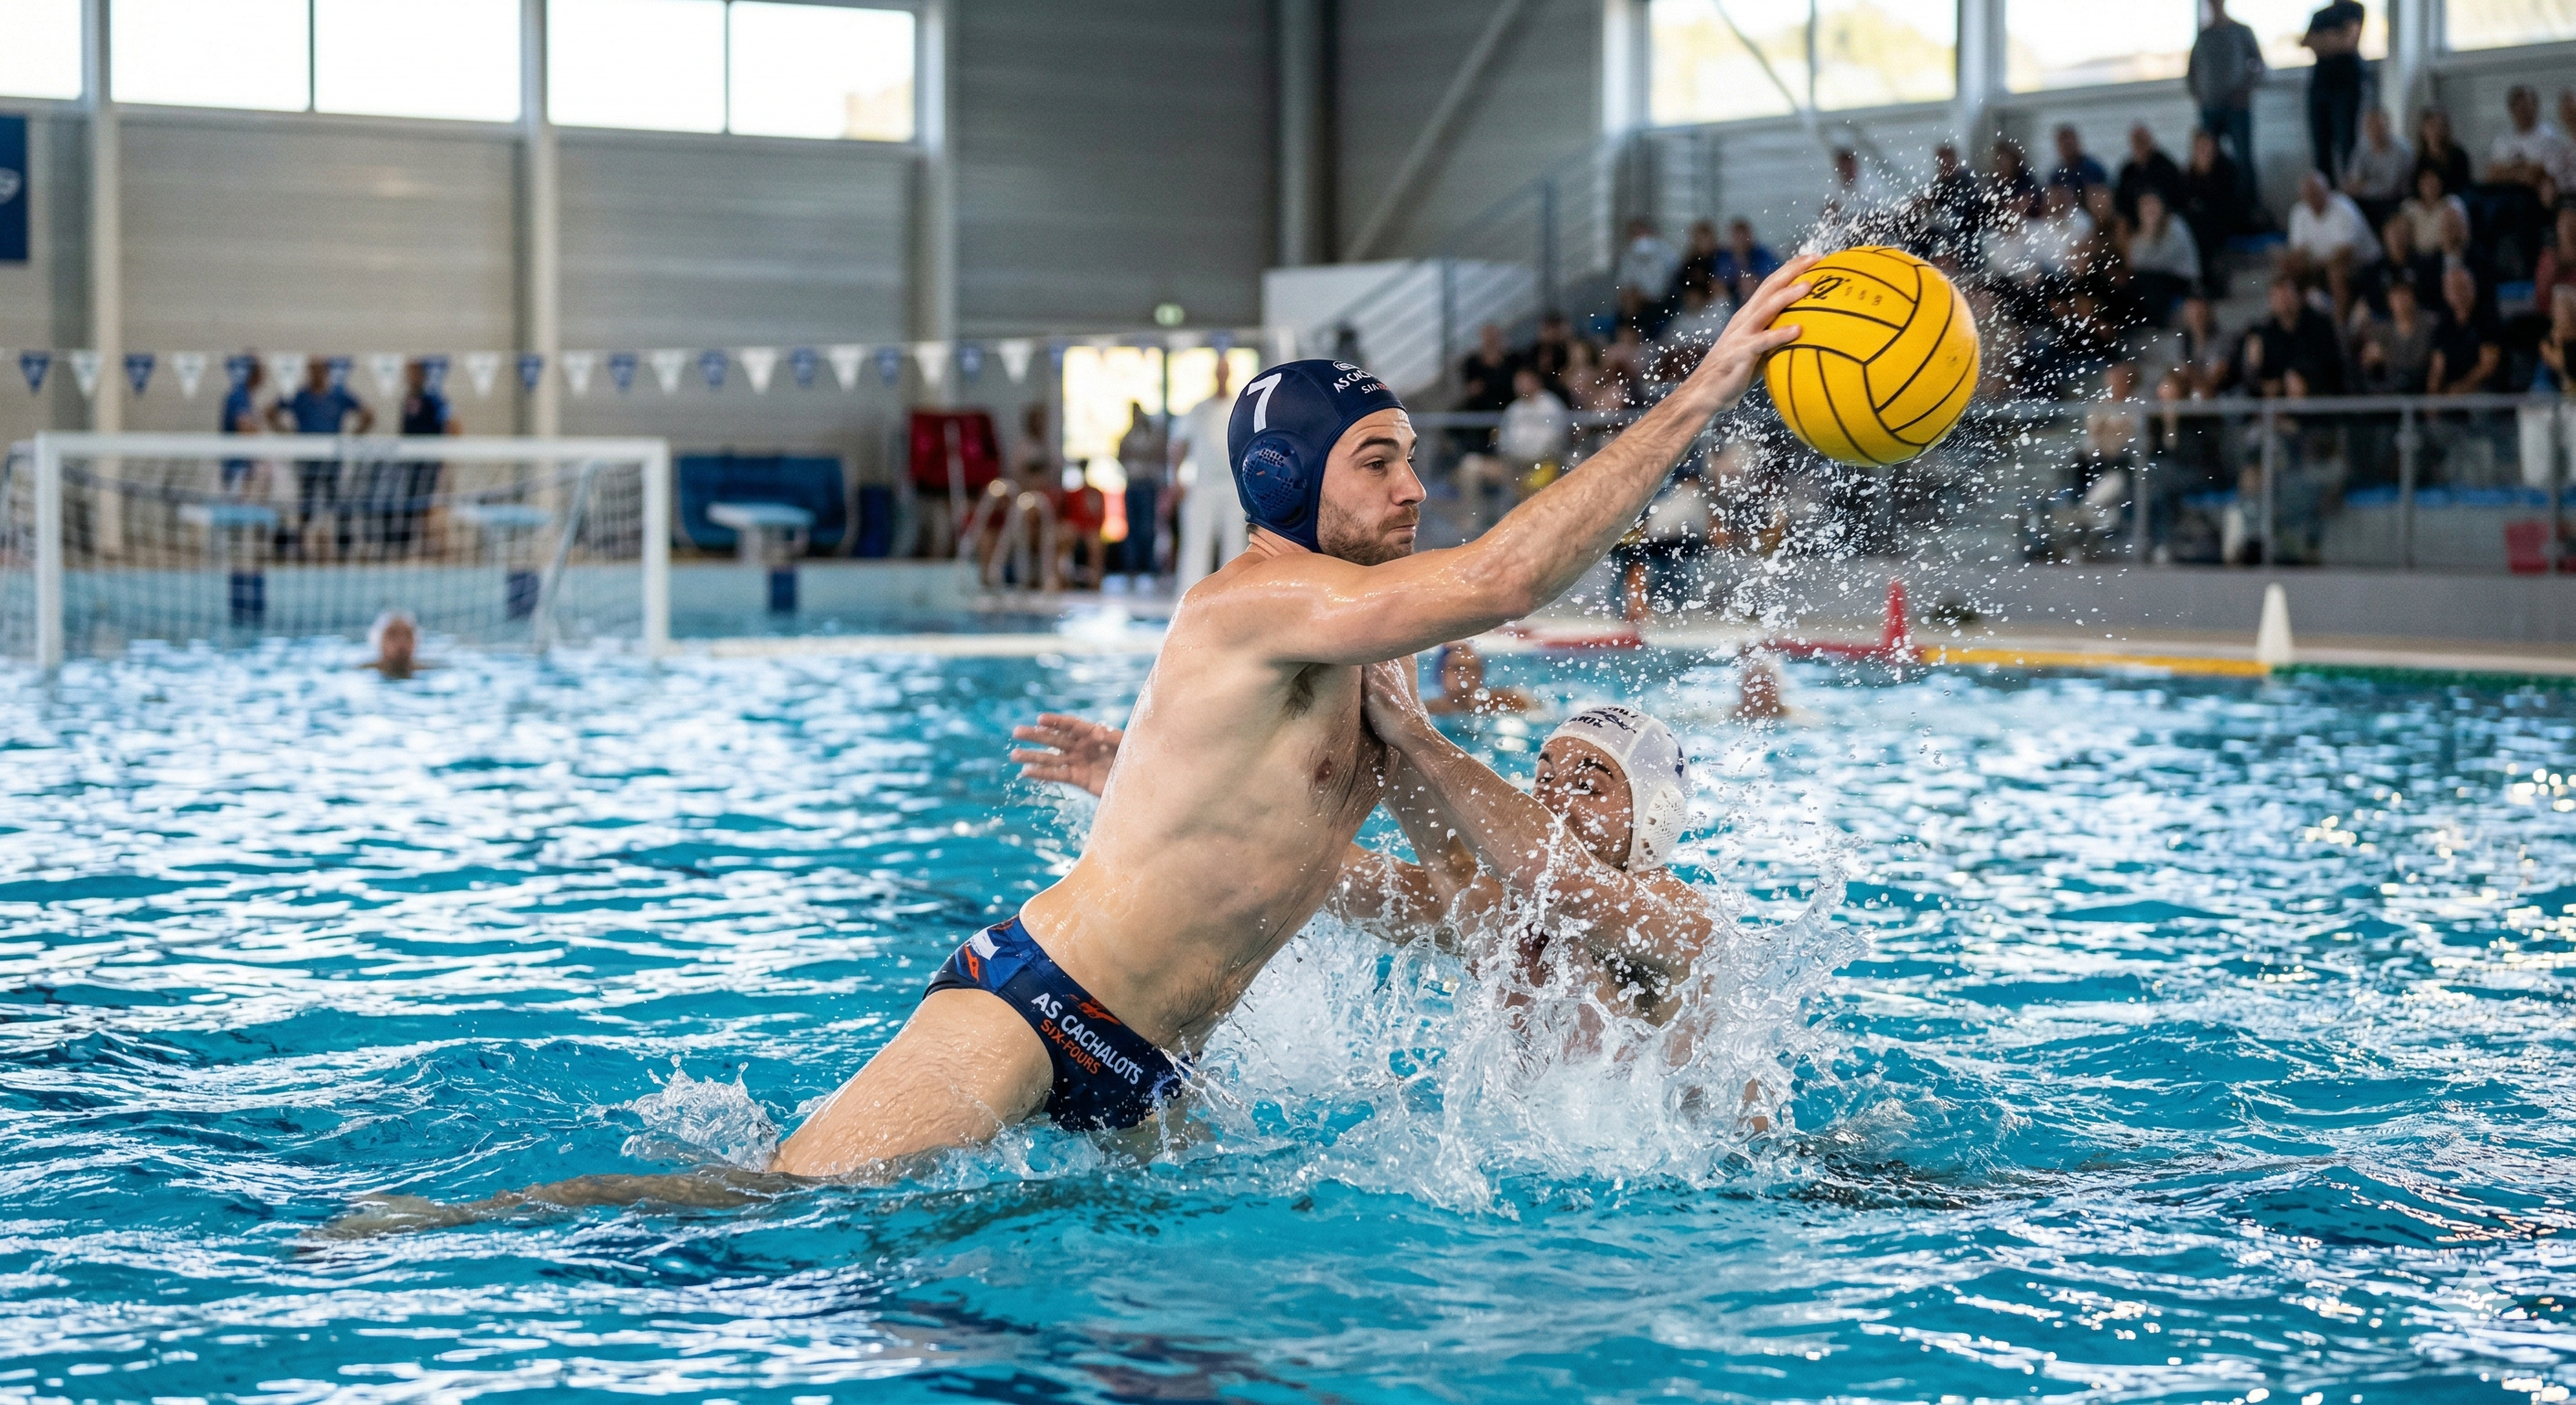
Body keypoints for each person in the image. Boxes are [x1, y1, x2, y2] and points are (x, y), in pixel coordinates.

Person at [745, 263, 1822, 1180]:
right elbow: (1505, 577)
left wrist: (1192, 774)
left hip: (1154, 1073)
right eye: (1376, 462)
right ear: (1285, 478)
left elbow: (1459, 901)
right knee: (761, 1216)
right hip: (1036, 1006)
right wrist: (1701, 396)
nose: (1411, 487)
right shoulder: (1252, 602)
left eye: (1408, 455)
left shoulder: (1366, 653)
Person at [268, 359, 373, 559]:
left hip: (332, 462)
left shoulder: (339, 395)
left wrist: (354, 435)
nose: (314, 374)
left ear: (325, 372)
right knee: (305, 507)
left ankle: (343, 549)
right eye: (311, 370)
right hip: (307, 461)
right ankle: (300, 548)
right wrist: (285, 432)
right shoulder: (299, 395)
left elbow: (369, 414)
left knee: (337, 505)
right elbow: (270, 411)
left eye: (318, 370)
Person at [1171, 359, 1244, 597]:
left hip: (1234, 485)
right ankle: (1188, 595)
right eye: (1218, 372)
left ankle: (1232, 596)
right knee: (1196, 544)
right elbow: (1178, 445)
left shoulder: (1239, 407)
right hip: (1203, 483)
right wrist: (1176, 478)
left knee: (1235, 545)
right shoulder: (1198, 410)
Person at [2188, 0, 2266, 207]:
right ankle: (2215, 207)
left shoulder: (2241, 31)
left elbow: (2259, 65)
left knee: (2243, 161)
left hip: (2237, 109)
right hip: (2210, 108)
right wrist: (2199, 96)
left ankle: (2249, 210)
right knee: (2208, 162)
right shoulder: (2203, 36)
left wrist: (2245, 91)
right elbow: (2191, 72)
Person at [380, 358, 457, 555]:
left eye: (413, 373)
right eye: (407, 373)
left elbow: (455, 425)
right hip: (410, 463)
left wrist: (445, 453)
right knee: (410, 503)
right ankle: (409, 547)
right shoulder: (408, 398)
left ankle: (436, 547)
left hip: (429, 462)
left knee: (426, 504)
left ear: (422, 375)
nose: (409, 377)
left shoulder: (434, 398)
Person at [2282, 171, 2380, 324]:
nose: (2313, 199)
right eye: (2308, 195)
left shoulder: (2344, 209)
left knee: (2336, 273)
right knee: (2287, 270)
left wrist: (2316, 264)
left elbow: (2345, 254)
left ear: (2327, 191)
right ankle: (2295, 325)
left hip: (2361, 265)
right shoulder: (2299, 212)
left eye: (2316, 193)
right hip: (2321, 265)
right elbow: (2299, 252)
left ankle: (2339, 329)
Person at [2242, 275, 2345, 398]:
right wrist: (2256, 371)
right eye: (2278, 297)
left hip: (2319, 393)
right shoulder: (2263, 333)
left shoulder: (2319, 325)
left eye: (2286, 295)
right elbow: (2254, 376)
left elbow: (2330, 364)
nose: (2283, 301)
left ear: (2298, 296)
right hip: (2276, 400)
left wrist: (2299, 375)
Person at [2301, 0, 2367, 180]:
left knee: (2347, 144)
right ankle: (2326, 198)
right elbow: (2306, 41)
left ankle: (2350, 194)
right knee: (2321, 147)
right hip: (2320, 87)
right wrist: (2335, 37)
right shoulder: (2319, 15)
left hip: (2346, 86)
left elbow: (2348, 42)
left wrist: (2323, 40)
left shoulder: (2354, 9)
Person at [2180, 128, 2246, 296]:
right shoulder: (2188, 174)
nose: (2204, 150)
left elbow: (2229, 201)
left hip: (2225, 219)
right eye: (2199, 147)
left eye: (2206, 146)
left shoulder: (2227, 168)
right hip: (2202, 224)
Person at [1113, 402, 1167, 589]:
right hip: (1133, 485)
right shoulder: (1128, 436)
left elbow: (1158, 456)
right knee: (1132, 529)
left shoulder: (1151, 436)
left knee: (1147, 528)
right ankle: (1132, 568)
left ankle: (1149, 566)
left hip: (1147, 486)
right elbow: (1121, 456)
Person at [2127, 190, 2202, 325]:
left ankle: (2155, 320)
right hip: (2154, 279)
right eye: (2145, 205)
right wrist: (2147, 233)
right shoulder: (2139, 233)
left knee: (2149, 280)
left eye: (2153, 204)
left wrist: (2150, 233)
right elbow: (2134, 261)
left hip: (2181, 278)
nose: (2150, 209)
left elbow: (2163, 260)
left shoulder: (2175, 225)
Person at [2427, 263, 2501, 396]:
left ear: (2473, 288)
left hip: (2483, 388)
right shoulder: (2444, 324)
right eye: (2453, 289)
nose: (2459, 293)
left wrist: (2462, 388)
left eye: (2463, 287)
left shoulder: (2488, 318)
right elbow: (2438, 367)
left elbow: (2488, 366)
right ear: (2446, 293)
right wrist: (2433, 394)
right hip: (2451, 390)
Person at [2340, 103, 2412, 232]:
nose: (2375, 131)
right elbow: (2352, 181)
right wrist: (2361, 187)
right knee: (2346, 206)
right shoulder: (2362, 147)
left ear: (2387, 126)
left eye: (2379, 127)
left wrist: (2363, 187)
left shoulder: (2401, 150)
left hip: (2396, 200)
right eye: (2370, 127)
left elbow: (2390, 188)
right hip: (2368, 200)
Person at [1422, 639, 1536, 715]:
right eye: (1457, 667)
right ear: (1441, 673)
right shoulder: (1428, 710)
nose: (1464, 673)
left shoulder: (1510, 702)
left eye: (1471, 667)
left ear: (1481, 673)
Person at [2113, 124, 2184, 225]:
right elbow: (2121, 203)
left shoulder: (2166, 166)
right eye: (2137, 141)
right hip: (2136, 228)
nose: (2140, 145)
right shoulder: (2127, 171)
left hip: (2164, 223)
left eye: (2142, 141)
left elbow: (2177, 197)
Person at [219, 354, 266, 492]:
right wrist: (264, 441)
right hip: (236, 465)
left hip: (241, 464)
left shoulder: (244, 396)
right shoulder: (239, 396)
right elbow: (244, 427)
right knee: (236, 508)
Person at [1615, 218, 1681, 307]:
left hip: (1664, 303)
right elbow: (1624, 284)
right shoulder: (1627, 258)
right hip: (1637, 305)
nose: (1638, 238)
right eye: (1634, 234)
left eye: (1640, 233)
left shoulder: (1666, 252)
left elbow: (1666, 284)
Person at [1712, 220, 1780, 305]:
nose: (1740, 241)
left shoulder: (1762, 254)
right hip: (1732, 299)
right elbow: (1718, 282)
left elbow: (1773, 276)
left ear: (1750, 236)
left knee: (1748, 283)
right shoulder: (1725, 256)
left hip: (1759, 295)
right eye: (1737, 237)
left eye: (1742, 236)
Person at [360, 610, 424, 680]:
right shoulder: (362, 672)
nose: (401, 642)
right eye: (393, 635)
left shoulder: (428, 671)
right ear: (379, 641)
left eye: (408, 635)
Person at [2537, 285, 2576, 395]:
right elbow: (2560, 364)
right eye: (2556, 309)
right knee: (2541, 388)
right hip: (2557, 387)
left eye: (2562, 309)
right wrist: (2558, 343)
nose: (2558, 314)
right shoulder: (2549, 339)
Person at [2048, 125, 2109, 196]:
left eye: (2069, 144)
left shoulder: (2093, 169)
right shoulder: (2057, 175)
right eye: (2063, 145)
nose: (2067, 149)